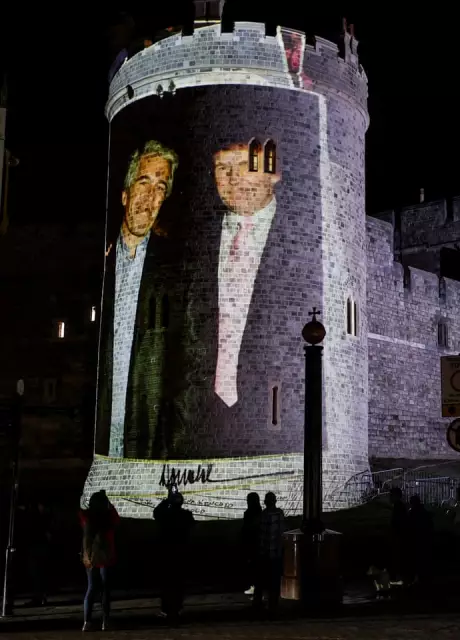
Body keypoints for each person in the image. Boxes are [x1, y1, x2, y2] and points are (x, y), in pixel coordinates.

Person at [173, 138, 282, 457]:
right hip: (194, 425)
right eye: (223, 168)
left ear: (273, 170)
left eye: (245, 164)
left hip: (268, 429)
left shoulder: (308, 238)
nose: (233, 178)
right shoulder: (190, 242)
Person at [95, 139, 180, 459]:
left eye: (160, 187)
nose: (150, 196)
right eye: (143, 182)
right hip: (99, 434)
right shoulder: (100, 265)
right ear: (125, 194)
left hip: (145, 441)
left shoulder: (173, 273)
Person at [80, 491, 120, 631]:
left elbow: (81, 515)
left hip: (91, 555)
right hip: (106, 556)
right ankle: (105, 621)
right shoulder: (109, 518)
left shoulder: (87, 517)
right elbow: (116, 519)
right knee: (105, 590)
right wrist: (110, 505)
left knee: (91, 588)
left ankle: (87, 622)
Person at [153, 486, 195, 621]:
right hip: (181, 554)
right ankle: (178, 608)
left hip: (167, 553)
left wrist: (167, 500)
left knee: (166, 583)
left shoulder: (166, 515)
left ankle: (166, 609)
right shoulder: (186, 515)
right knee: (179, 583)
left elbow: (156, 512)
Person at [253, 492, 285, 613]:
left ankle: (258, 604)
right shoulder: (280, 514)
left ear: (265, 502)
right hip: (276, 554)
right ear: (275, 501)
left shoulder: (263, 515)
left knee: (260, 581)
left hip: (264, 554)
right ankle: (273, 605)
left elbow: (259, 536)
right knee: (274, 582)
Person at [25, 500, 53, 607]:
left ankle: (40, 597)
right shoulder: (43, 518)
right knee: (38, 574)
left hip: (39, 548)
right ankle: (40, 596)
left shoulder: (43, 519)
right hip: (39, 548)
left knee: (38, 574)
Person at [407, 495, 434, 586]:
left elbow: (409, 527)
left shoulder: (412, 513)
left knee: (416, 560)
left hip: (416, 540)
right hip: (425, 540)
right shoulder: (425, 512)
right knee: (424, 560)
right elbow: (430, 526)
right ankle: (425, 578)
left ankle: (417, 578)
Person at [242, 492, 262, 596]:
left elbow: (246, 530)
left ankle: (254, 588)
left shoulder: (248, 513)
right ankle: (258, 589)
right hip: (260, 544)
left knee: (252, 567)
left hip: (251, 544)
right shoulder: (261, 512)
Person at [389, 487, 409, 583]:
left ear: (396, 496)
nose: (389, 497)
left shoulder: (398, 507)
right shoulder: (400, 506)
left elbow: (398, 522)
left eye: (391, 495)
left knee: (398, 556)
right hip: (400, 535)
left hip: (399, 536)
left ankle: (399, 576)